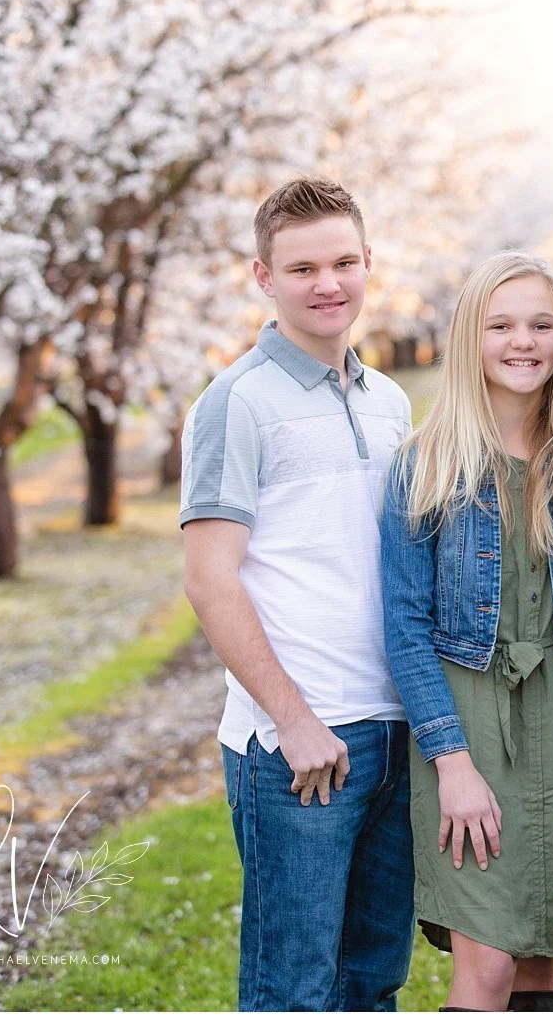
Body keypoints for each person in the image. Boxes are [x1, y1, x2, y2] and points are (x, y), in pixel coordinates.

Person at [180, 177, 415, 1011]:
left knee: (372, 982)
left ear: (368, 264)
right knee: (293, 990)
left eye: (345, 262)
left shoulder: (389, 402)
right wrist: (293, 718)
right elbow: (210, 578)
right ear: (262, 276)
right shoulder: (235, 402)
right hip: (299, 750)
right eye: (304, 266)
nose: (328, 283)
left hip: (394, 733)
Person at [380, 252, 553, 1012]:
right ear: (470, 338)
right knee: (485, 969)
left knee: (541, 956)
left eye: (542, 324)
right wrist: (452, 762)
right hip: (470, 723)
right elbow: (405, 629)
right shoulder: (426, 464)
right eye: (502, 324)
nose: (525, 341)